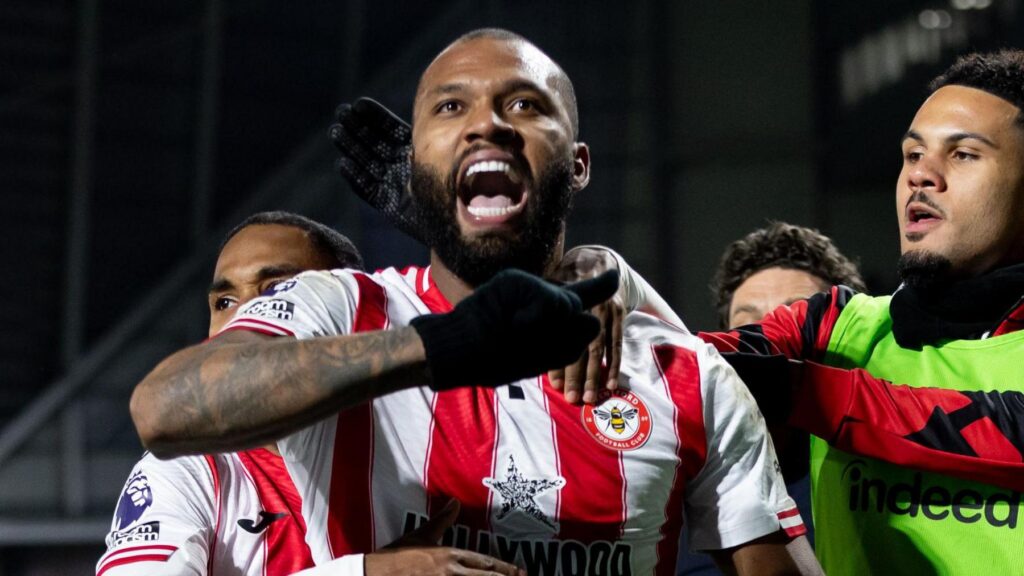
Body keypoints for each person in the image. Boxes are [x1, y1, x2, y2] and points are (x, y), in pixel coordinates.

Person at [130, 29, 821, 575]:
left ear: (579, 164)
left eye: (523, 105)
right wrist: (443, 344)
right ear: (414, 165)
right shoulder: (338, 308)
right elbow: (164, 409)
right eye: (450, 106)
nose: (486, 124)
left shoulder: (687, 376)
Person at [335, 47, 1024, 574]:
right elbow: (673, 376)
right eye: (911, 154)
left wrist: (795, 388)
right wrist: (487, 239)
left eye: (964, 154)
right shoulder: (836, 327)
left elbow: (985, 429)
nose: (921, 174)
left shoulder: (828, 359)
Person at [97, 212, 365, 576]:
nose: (245, 317)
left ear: (353, 310)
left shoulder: (418, 439)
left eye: (277, 290)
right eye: (224, 302)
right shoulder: (188, 468)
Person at [679, 222, 866, 576]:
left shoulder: (878, 488)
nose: (771, 343)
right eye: (751, 329)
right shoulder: (674, 483)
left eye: (797, 323)